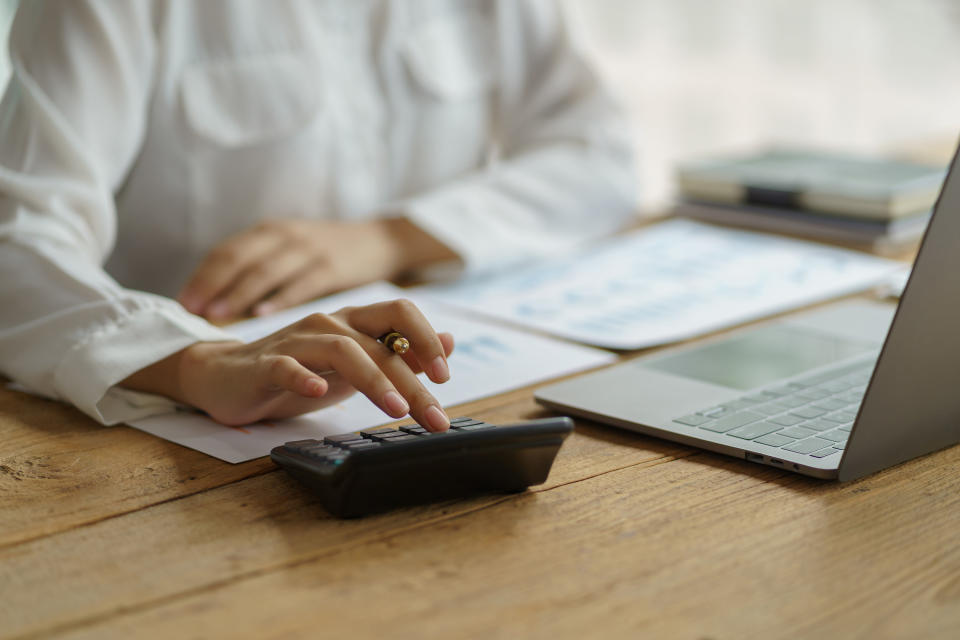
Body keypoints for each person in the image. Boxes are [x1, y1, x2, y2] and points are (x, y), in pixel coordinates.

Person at [0, 1, 636, 432]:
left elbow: (599, 155)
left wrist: (389, 239)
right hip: (184, 407)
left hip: (470, 375)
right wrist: (195, 361)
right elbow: (18, 237)